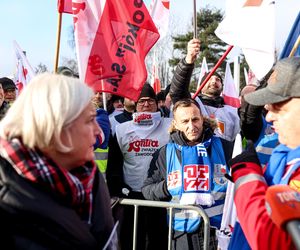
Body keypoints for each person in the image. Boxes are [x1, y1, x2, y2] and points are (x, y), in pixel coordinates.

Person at [0, 73, 116, 249]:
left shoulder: (91, 176)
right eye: (90, 120)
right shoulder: (7, 201)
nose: (97, 130)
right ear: (57, 126)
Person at [228, 57, 300, 250]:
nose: (268, 115)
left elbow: (276, 243)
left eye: (278, 104)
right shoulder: (284, 153)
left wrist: (247, 177)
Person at [142, 98, 231, 250]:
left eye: (195, 119)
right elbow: (147, 190)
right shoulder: (165, 153)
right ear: (175, 124)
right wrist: (167, 186)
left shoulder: (225, 146)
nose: (192, 126)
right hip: (182, 234)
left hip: (218, 232)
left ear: (202, 119)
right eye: (185, 121)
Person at [106, 83, 171, 250]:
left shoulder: (169, 125)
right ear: (135, 105)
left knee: (159, 240)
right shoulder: (121, 130)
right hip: (132, 194)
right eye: (141, 101)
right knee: (132, 240)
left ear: (157, 104)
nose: (146, 104)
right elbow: (114, 163)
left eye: (150, 101)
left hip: (160, 193)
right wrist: (118, 187)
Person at [169, 39, 240, 154]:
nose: (214, 81)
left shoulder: (231, 111)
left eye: (218, 80)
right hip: (194, 155)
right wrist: (188, 62)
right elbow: (177, 92)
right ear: (201, 86)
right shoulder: (193, 102)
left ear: (222, 86)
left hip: (222, 156)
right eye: (209, 78)